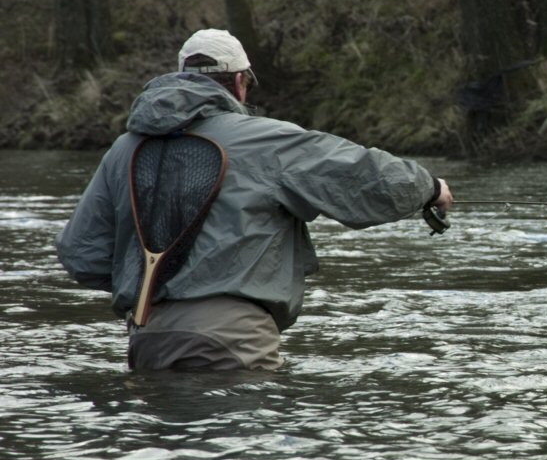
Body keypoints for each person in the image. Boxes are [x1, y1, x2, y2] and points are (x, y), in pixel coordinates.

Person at [56, 28, 453, 371]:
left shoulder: (123, 149)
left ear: (180, 77)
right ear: (241, 82)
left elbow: (81, 253)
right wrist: (430, 188)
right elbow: (363, 176)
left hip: (148, 338)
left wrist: (148, 285)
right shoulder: (265, 139)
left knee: (169, 451)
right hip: (232, 339)